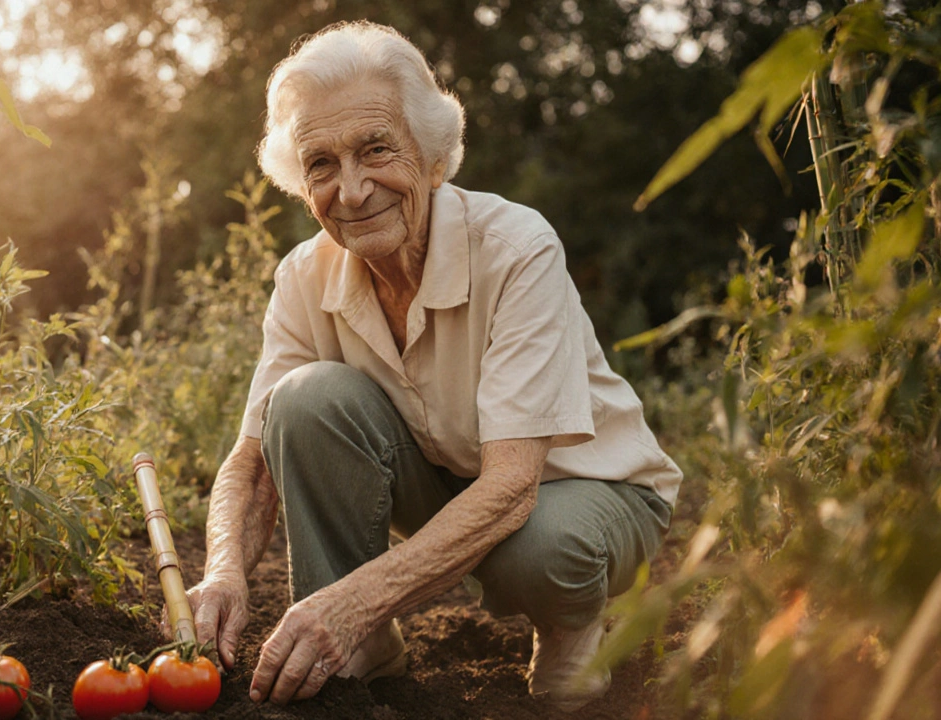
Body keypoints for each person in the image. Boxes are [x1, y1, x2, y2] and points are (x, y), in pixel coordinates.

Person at [178, 20, 682, 712]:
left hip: (589, 492)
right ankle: (359, 650)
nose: (351, 191)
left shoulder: (516, 248)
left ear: (435, 158)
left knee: (541, 547)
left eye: (376, 150)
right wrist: (224, 573)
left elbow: (511, 487)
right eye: (321, 164)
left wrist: (349, 601)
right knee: (301, 401)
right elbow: (253, 460)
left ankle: (570, 629)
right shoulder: (304, 276)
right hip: (450, 480)